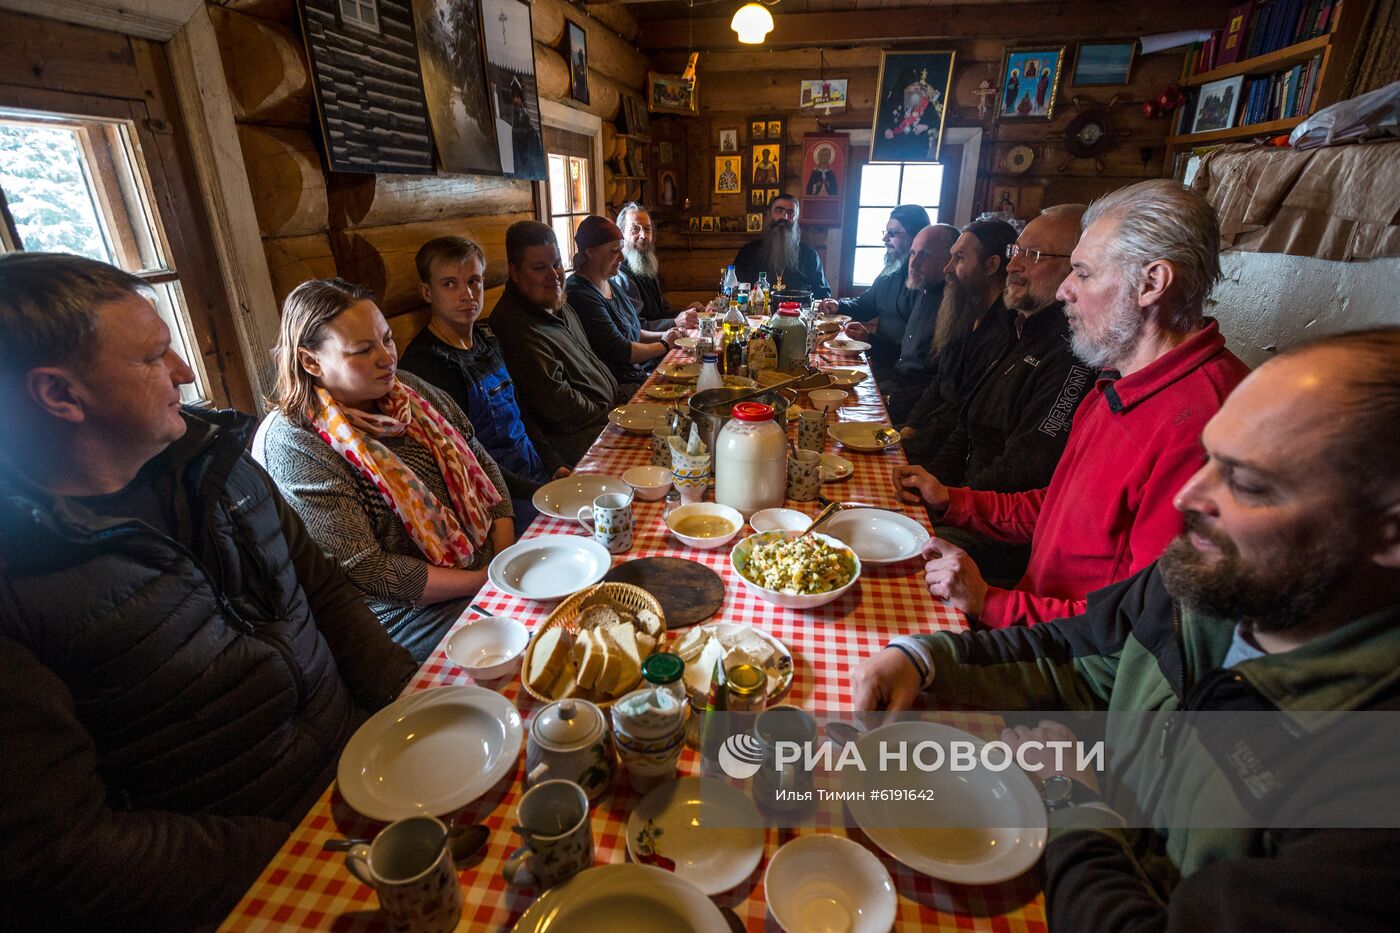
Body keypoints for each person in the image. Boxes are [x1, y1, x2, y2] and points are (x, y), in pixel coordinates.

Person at [854, 329, 1400, 932]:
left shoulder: (1370, 786)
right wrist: (923, 657)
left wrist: (1070, 798)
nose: (1188, 496)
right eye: (1210, 460)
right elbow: (1077, 652)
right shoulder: (1214, 586)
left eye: (1247, 483)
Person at [0, 253, 416, 930]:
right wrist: (292, 858)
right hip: (246, 867)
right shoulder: (18, 583)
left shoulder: (214, 459)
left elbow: (325, 593)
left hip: (359, 760)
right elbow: (64, 849)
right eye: (153, 357)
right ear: (60, 396)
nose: (184, 370)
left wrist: (409, 705)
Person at [896, 181, 1250, 627]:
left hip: (1072, 652)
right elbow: (1060, 508)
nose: (1064, 290)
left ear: (1152, 283)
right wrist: (954, 500)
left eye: (1082, 272)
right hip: (1035, 611)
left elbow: (1149, 627)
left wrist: (991, 603)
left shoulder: (1207, 427)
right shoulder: (1117, 381)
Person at [255, 278, 515, 663]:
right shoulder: (296, 443)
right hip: (407, 614)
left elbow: (482, 463)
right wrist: (485, 581)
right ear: (311, 361)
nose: (386, 358)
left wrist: (505, 560)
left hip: (487, 565)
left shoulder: (406, 389)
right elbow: (370, 569)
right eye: (363, 350)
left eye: (387, 339)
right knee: (526, 637)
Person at [398, 236, 570, 537]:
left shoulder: (487, 338)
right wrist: (538, 492)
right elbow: (466, 459)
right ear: (427, 292)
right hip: (494, 501)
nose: (467, 294)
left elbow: (521, 412)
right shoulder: (428, 365)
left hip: (533, 473)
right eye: (450, 284)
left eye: (474, 282)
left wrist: (555, 465)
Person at [490, 220, 628, 465]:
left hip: (605, 414)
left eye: (556, 264)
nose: (553, 275)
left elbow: (591, 364)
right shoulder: (515, 328)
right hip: (574, 443)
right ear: (515, 273)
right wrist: (612, 413)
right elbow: (561, 409)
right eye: (540, 268)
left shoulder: (556, 304)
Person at [899, 219, 1020, 478]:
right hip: (929, 432)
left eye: (959, 258)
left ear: (991, 265)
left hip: (953, 459)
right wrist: (910, 426)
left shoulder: (1006, 333)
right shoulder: (964, 313)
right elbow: (939, 381)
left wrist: (929, 474)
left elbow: (967, 422)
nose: (947, 268)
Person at [814, 204, 933, 383]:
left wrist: (870, 340)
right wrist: (838, 306)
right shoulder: (891, 271)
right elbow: (866, 304)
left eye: (892, 233)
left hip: (901, 374)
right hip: (879, 361)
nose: (885, 238)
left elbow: (914, 352)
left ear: (915, 236)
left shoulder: (925, 284)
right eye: (885, 232)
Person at [566, 216, 683, 390]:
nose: (621, 257)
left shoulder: (609, 281)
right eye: (614, 251)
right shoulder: (580, 294)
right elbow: (621, 350)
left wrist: (667, 334)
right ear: (590, 252)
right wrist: (664, 344)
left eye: (621, 249)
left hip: (635, 375)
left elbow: (632, 329)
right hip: (617, 386)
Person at [885, 223, 960, 423]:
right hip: (896, 386)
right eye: (912, 253)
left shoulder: (953, 304)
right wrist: (869, 339)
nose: (913, 263)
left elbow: (940, 381)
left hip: (916, 409)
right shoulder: (922, 291)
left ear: (950, 260)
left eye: (925, 255)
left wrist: (891, 400)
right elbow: (907, 356)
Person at [613, 202, 702, 332]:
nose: (643, 235)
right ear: (621, 233)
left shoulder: (646, 265)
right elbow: (636, 329)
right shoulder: (622, 276)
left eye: (647, 229)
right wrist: (675, 322)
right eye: (635, 229)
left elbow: (662, 314)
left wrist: (685, 313)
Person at [731, 194, 831, 298]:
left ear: (796, 218)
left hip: (798, 308)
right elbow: (734, 290)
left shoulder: (809, 255)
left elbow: (823, 294)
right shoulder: (748, 252)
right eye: (779, 211)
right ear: (769, 214)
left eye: (791, 213)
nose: (784, 217)